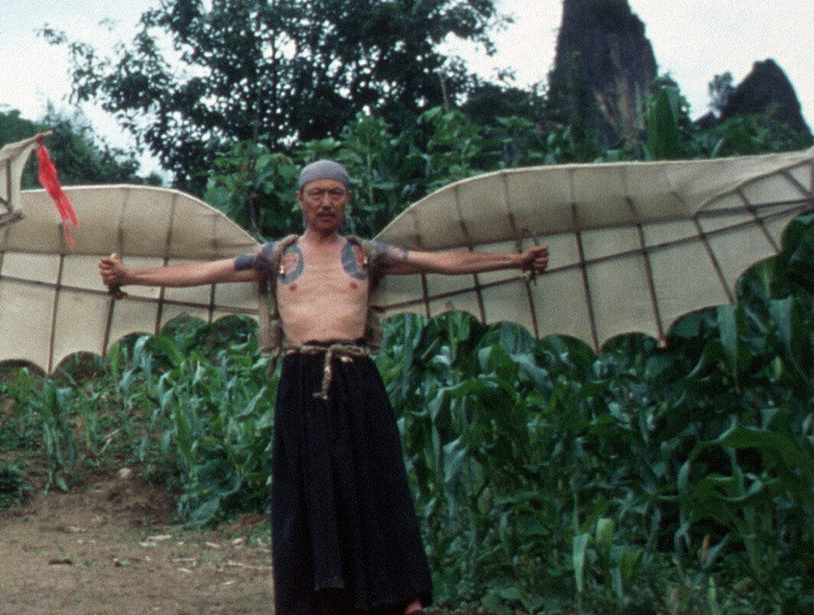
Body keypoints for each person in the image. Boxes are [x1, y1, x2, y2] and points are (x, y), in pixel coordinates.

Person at [99, 160, 547, 615]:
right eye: (316, 193)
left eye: (336, 193)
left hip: (357, 378)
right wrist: (131, 277)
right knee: (307, 492)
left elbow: (445, 262)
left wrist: (515, 261)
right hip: (301, 382)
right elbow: (204, 272)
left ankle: (399, 599)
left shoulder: (368, 255)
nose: (326, 202)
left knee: (378, 484)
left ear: (347, 199)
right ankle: (316, 602)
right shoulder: (276, 258)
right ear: (301, 199)